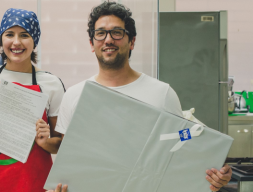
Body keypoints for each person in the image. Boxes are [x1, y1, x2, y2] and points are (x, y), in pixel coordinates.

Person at [48, 2, 232, 192]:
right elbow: (71, 160)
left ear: (132, 41)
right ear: (92, 44)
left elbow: (180, 149)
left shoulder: (162, 93)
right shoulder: (75, 95)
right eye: (100, 33)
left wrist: (215, 175)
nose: (108, 39)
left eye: (117, 32)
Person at [0, 8, 65, 192]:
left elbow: (62, 144)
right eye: (9, 34)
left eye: (24, 35)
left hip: (33, 184)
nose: (16, 42)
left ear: (34, 41)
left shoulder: (51, 84)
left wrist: (44, 141)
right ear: (1, 40)